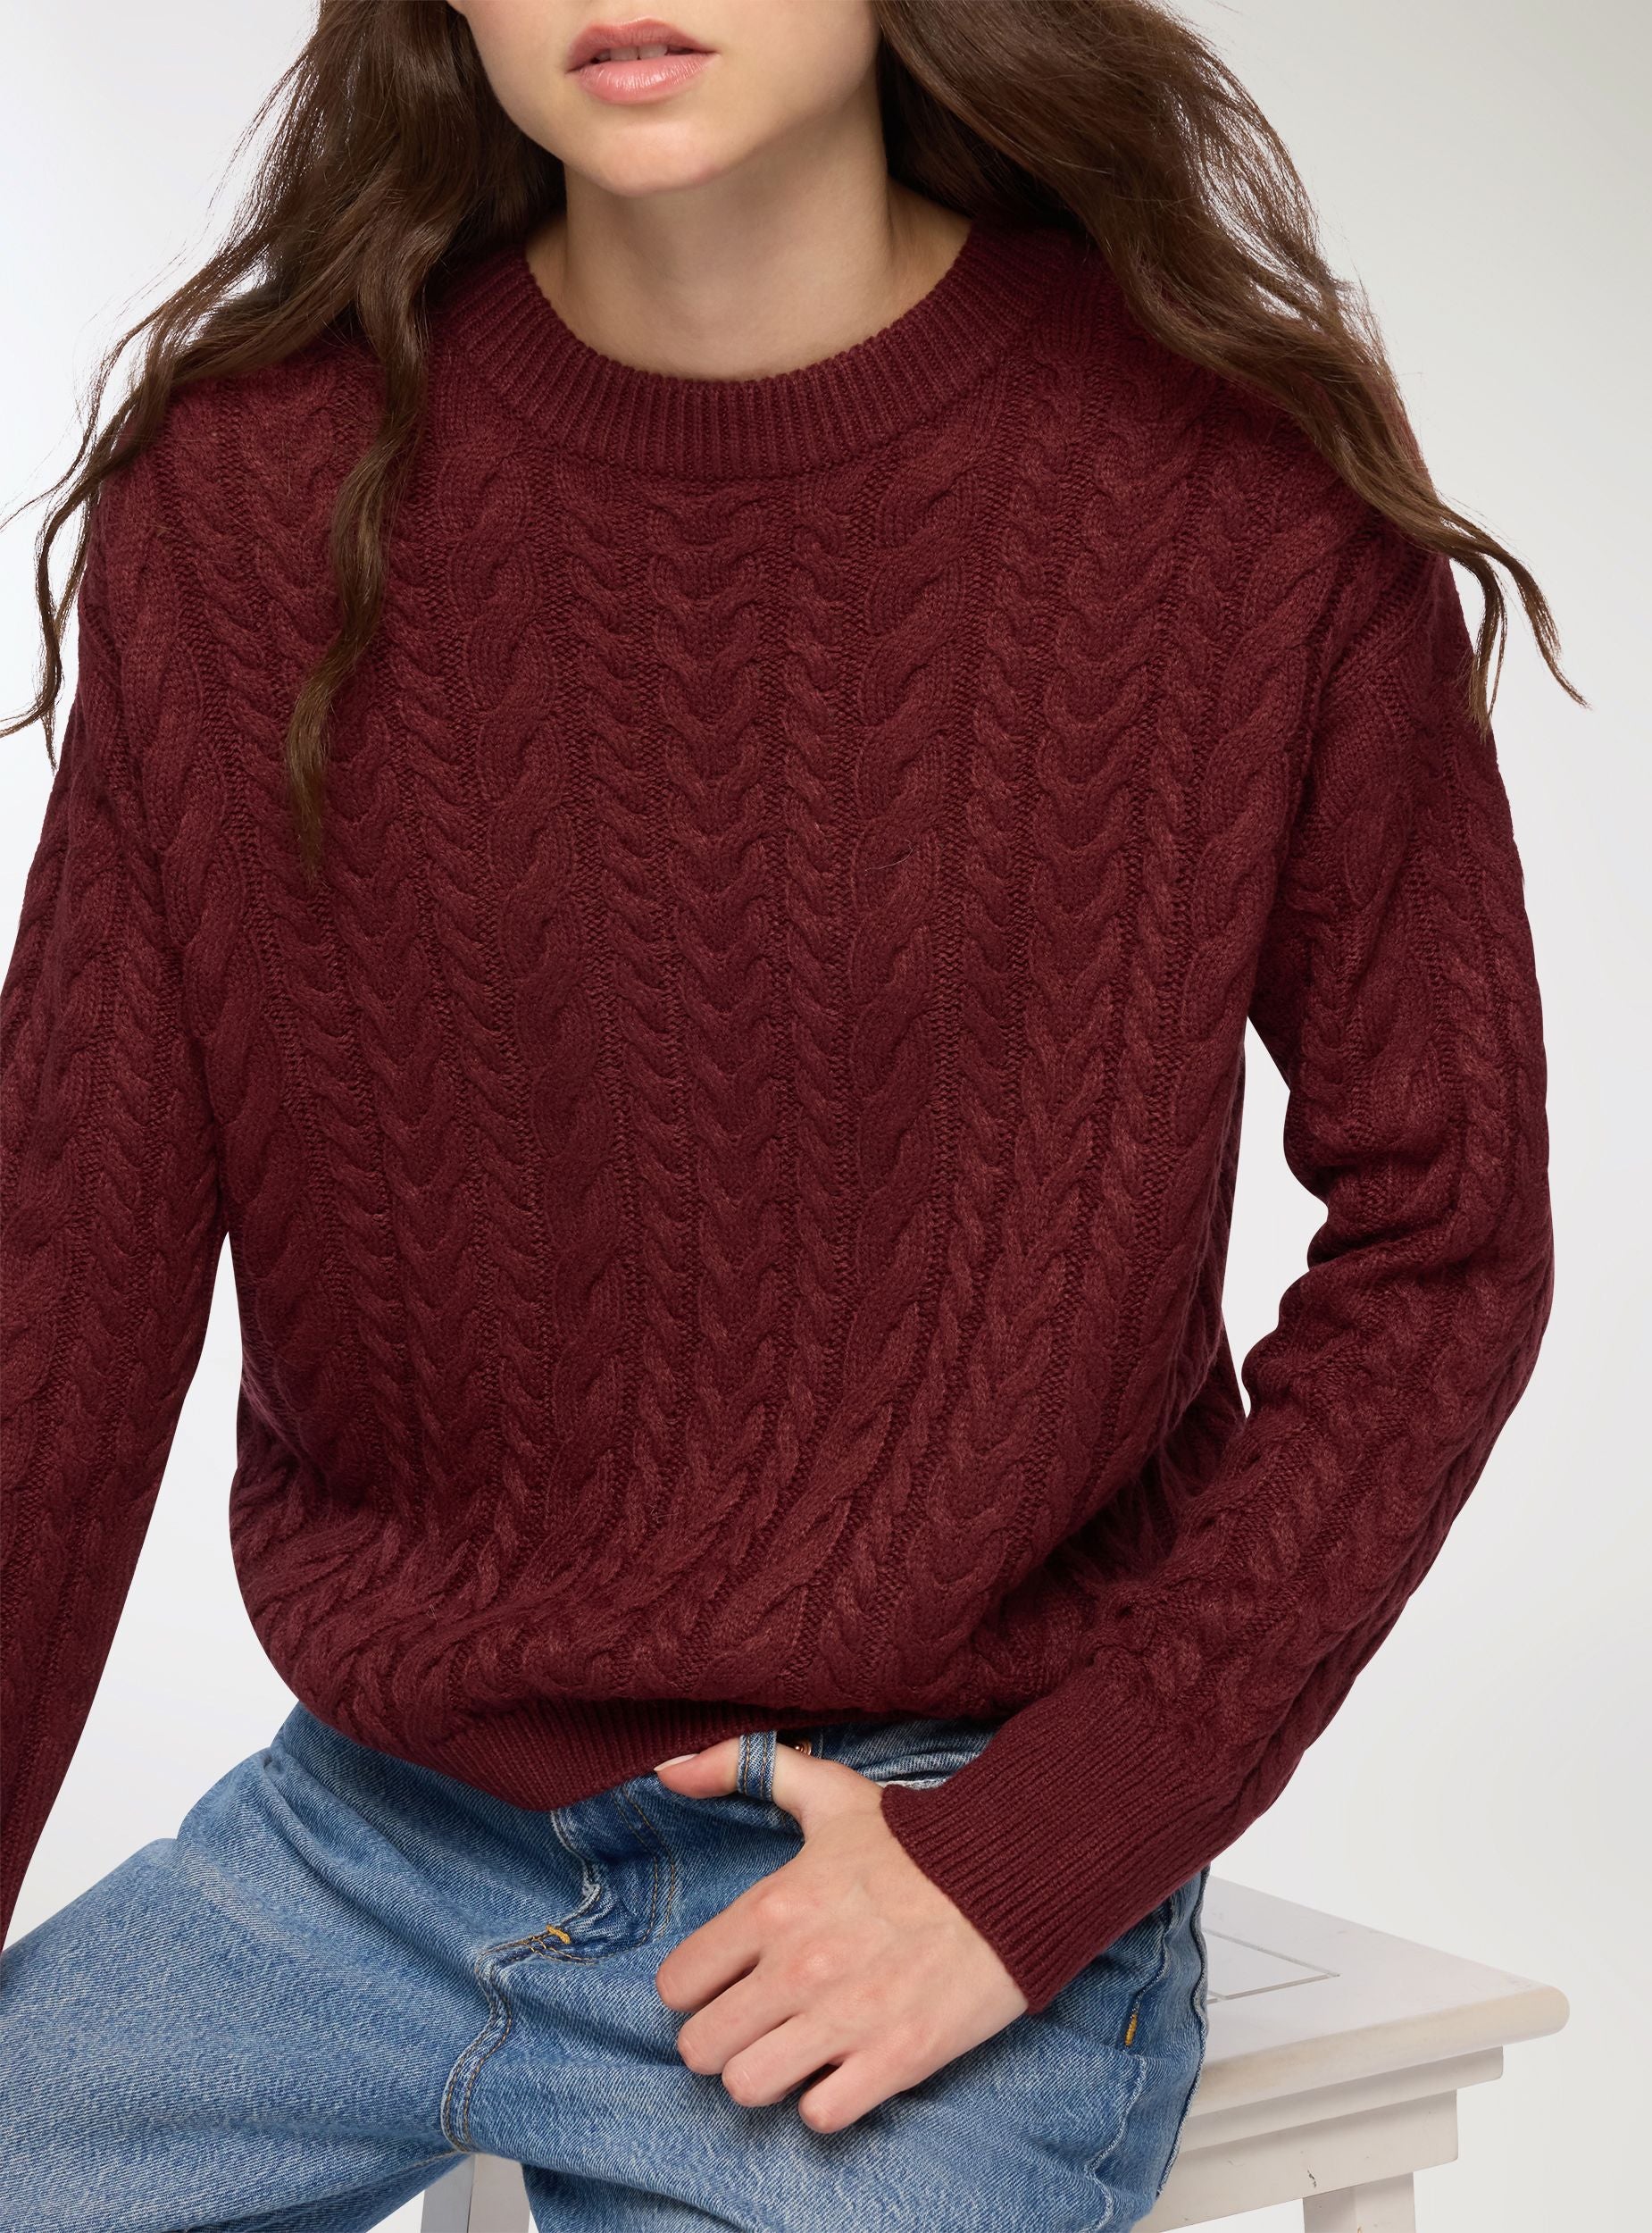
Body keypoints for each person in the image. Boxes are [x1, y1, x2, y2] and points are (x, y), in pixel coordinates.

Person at [0, 2, 1564, 2227]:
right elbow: (48, 1307)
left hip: (915, 1838)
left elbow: (1447, 1232)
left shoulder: (1227, 480)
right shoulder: (245, 495)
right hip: (367, 1841)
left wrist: (1035, 1855)